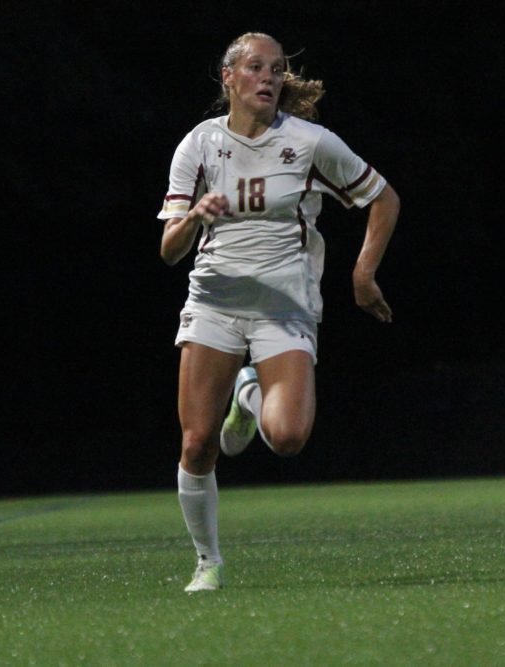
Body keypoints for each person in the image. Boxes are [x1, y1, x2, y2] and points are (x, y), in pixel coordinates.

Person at [158, 32, 400, 592]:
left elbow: (383, 198)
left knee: (288, 437)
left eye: (277, 70)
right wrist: (195, 216)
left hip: (285, 304)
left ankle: (249, 393)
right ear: (228, 78)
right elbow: (169, 250)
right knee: (196, 443)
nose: (268, 78)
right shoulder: (198, 145)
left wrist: (362, 274)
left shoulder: (310, 142)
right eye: (255, 68)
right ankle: (207, 562)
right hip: (214, 301)